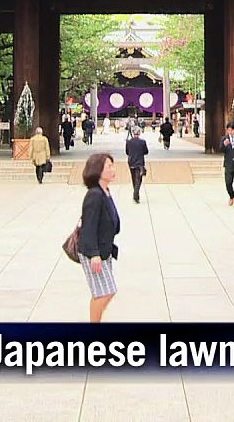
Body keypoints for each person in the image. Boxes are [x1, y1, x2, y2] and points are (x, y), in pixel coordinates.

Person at [78, 152, 121, 323]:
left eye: (112, 165)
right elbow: (88, 226)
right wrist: (94, 254)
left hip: (105, 249)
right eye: (108, 166)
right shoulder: (94, 195)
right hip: (93, 252)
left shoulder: (105, 192)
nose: (113, 169)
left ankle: (96, 321)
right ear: (98, 170)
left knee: (103, 291)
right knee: (105, 291)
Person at [124, 127, 149, 203]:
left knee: (133, 178)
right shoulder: (142, 142)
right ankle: (136, 195)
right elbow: (146, 151)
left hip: (131, 162)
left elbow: (127, 152)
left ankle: (135, 191)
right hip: (140, 162)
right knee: (138, 179)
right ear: (139, 133)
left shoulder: (128, 142)